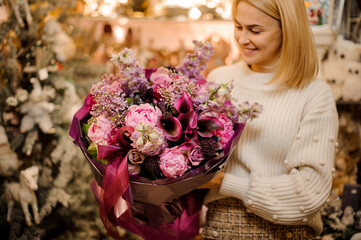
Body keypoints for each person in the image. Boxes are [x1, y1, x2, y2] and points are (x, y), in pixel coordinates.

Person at [199, 0, 339, 239]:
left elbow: (309, 192)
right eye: (238, 26)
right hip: (218, 227)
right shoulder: (218, 79)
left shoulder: (314, 94)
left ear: (288, 30)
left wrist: (224, 183)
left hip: (286, 233)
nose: (242, 39)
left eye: (255, 30)